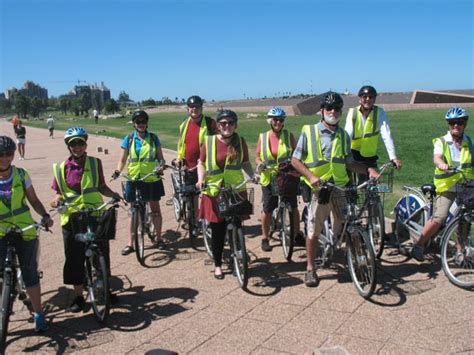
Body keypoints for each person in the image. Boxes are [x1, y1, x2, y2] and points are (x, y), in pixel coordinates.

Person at [291, 92, 377, 287]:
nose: (333, 111)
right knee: (313, 230)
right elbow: (295, 160)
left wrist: (368, 169)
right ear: (321, 111)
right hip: (319, 190)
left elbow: (349, 162)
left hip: (340, 188)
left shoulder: (343, 136)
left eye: (337, 108)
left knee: (347, 225)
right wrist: (310, 176)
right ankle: (311, 268)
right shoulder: (309, 131)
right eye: (328, 108)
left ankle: (348, 256)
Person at [50, 127, 121, 312]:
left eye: (80, 142)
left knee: (102, 253)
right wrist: (56, 201)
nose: (77, 147)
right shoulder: (60, 168)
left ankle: (104, 288)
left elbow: (101, 186)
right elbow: (58, 193)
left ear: (85, 144)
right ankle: (78, 296)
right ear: (68, 146)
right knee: (74, 256)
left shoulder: (95, 163)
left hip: (93, 213)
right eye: (73, 144)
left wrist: (113, 195)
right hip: (72, 217)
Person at [0, 135, 53, 332]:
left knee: (30, 272)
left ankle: (38, 313)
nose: (5, 158)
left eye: (9, 154)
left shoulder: (21, 175)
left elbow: (34, 200)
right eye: (1, 155)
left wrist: (45, 215)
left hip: (24, 229)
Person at [196, 110, 254, 279]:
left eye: (230, 123)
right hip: (215, 190)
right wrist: (201, 179)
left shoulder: (240, 142)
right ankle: (218, 264)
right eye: (223, 123)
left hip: (235, 189)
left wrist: (253, 176)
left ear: (235, 125)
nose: (226, 126)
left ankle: (237, 248)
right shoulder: (209, 142)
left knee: (237, 223)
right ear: (218, 125)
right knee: (218, 229)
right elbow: (201, 163)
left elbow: (245, 163)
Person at [411, 107, 473, 262]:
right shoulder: (442, 141)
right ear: (448, 124)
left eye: (459, 122)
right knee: (441, 217)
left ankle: (460, 250)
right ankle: (419, 244)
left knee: (465, 218)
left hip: (465, 186)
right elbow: (437, 157)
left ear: (464, 123)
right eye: (452, 122)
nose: (456, 125)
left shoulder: (468, 141)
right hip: (446, 186)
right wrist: (442, 164)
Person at [113, 110, 166, 255]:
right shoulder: (129, 139)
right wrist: (118, 170)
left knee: (155, 209)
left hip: (151, 178)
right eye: (138, 122)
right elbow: (123, 159)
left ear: (147, 123)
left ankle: (159, 238)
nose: (141, 124)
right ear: (134, 124)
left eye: (143, 121)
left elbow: (161, 158)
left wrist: (161, 167)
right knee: (133, 211)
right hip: (134, 179)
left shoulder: (154, 138)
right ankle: (130, 243)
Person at [255, 107, 304, 252]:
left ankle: (296, 234)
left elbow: (296, 155)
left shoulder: (289, 136)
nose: (278, 122)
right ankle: (264, 237)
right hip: (269, 177)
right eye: (275, 119)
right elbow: (257, 157)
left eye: (281, 120)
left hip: (287, 176)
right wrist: (260, 164)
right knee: (268, 208)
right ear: (270, 120)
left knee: (293, 206)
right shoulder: (263, 137)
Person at [176, 95, 217, 231]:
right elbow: (181, 144)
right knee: (192, 196)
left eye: (197, 106)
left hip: (207, 166)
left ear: (201, 108)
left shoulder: (211, 123)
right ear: (188, 109)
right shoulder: (184, 125)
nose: (194, 109)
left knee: (209, 194)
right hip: (189, 166)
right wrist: (179, 158)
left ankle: (211, 220)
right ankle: (194, 221)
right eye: (191, 107)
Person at [344, 85, 401, 180]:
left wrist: (393, 157)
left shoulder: (379, 112)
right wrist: (344, 153)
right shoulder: (353, 113)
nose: (368, 99)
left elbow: (386, 134)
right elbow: (348, 134)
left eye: (371, 97)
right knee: (347, 186)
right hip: (353, 154)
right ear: (360, 99)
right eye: (364, 97)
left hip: (369, 156)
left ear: (374, 99)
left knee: (371, 187)